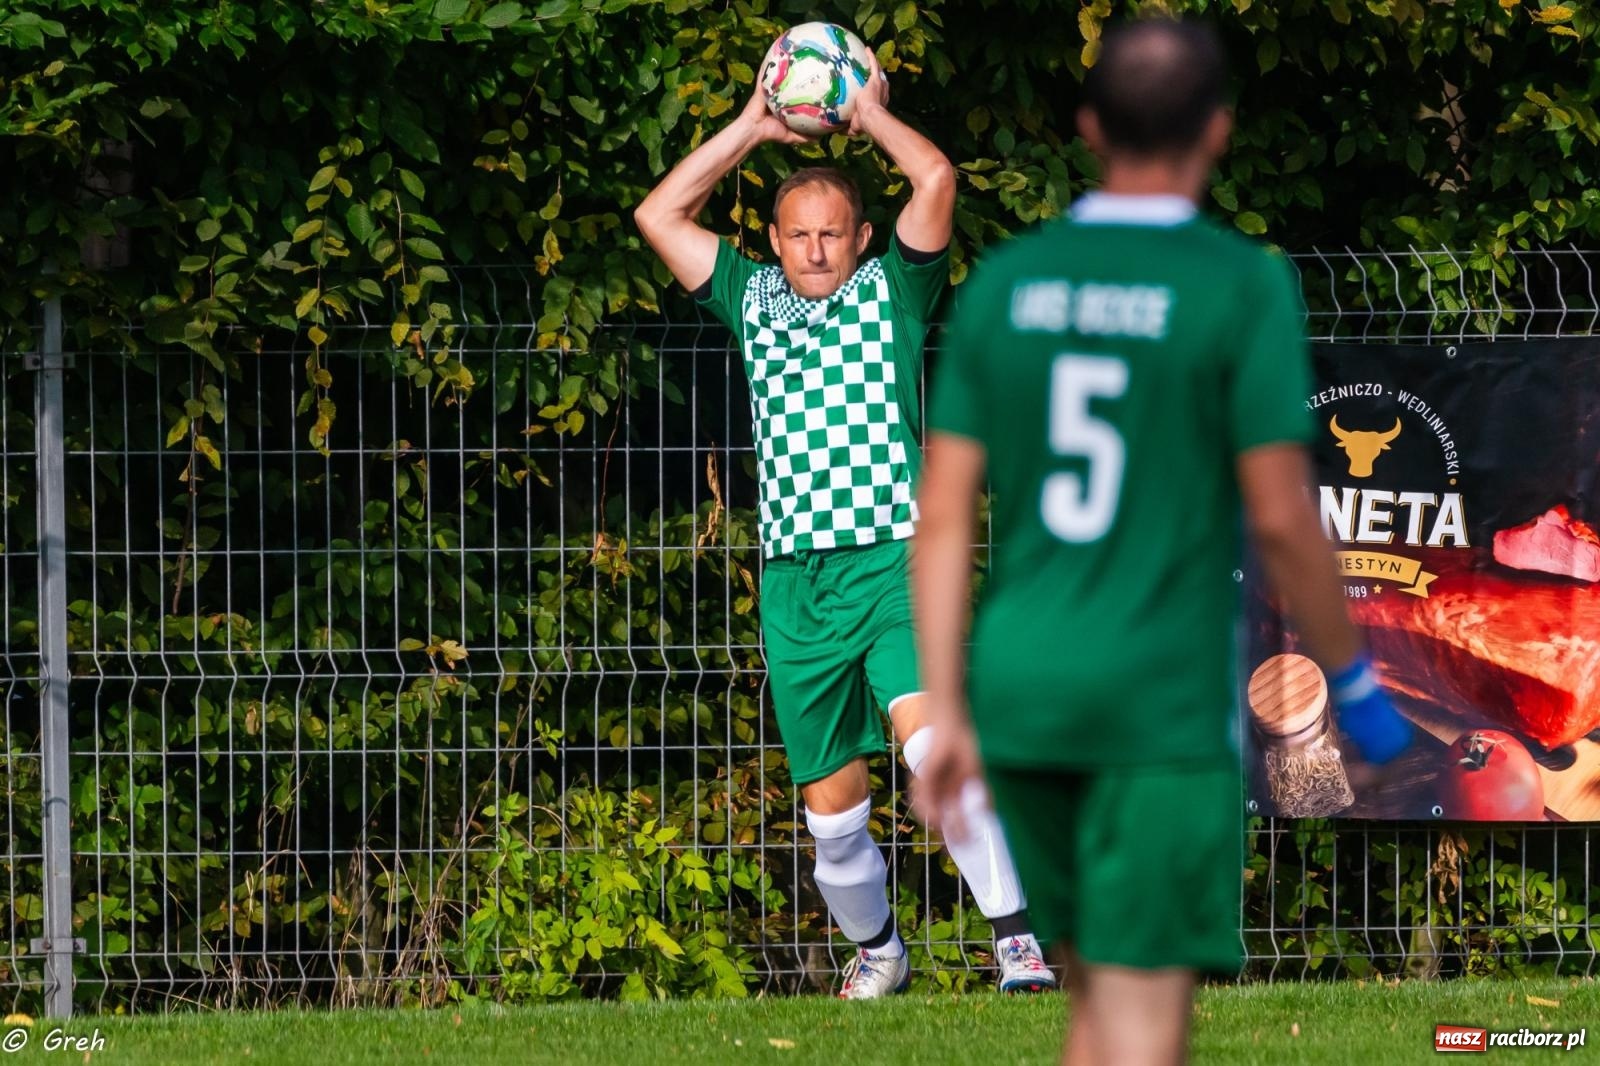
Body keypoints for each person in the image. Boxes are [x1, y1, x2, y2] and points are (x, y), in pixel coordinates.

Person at [910, 18, 1411, 1064]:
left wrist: (949, 710)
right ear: (1219, 130)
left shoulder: (1006, 283)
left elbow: (945, 511)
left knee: (1096, 1003)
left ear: (1088, 127)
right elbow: (1279, 513)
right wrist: (1353, 684)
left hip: (1024, 691)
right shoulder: (1236, 283)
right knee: (1144, 1026)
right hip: (1154, 698)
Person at [633, 50, 1056, 999]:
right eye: (797, 235)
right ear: (774, 242)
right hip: (795, 584)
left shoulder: (893, 294)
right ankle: (881, 953)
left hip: (894, 565)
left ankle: (1018, 944)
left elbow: (937, 178)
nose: (815, 249)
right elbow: (658, 216)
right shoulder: (750, 301)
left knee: (934, 747)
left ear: (863, 237)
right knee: (835, 819)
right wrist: (752, 123)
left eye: (833, 233)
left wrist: (864, 113)